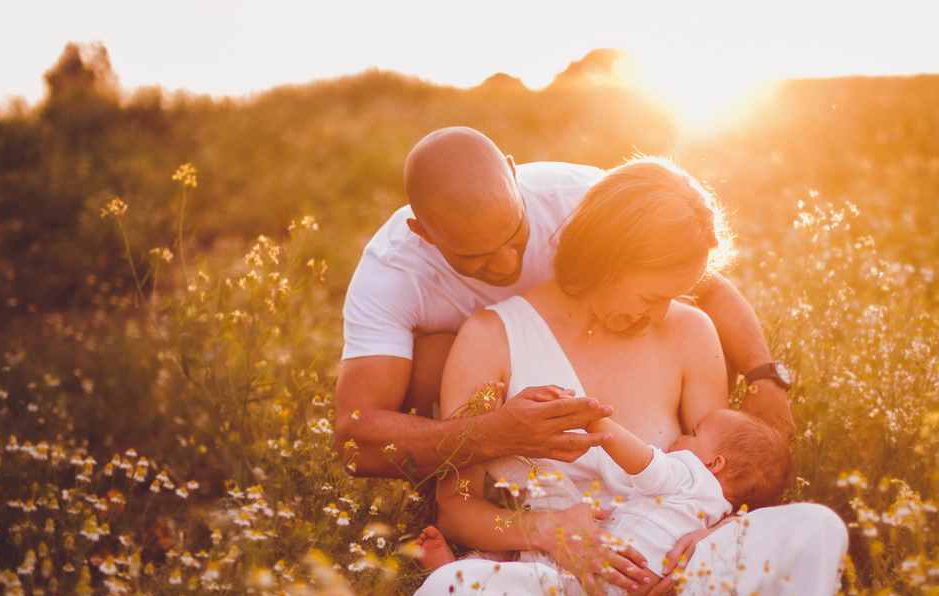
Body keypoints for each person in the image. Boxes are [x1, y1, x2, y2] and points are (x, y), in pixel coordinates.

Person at [410, 157, 847, 596]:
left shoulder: (691, 332)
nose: (663, 313)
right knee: (448, 591)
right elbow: (454, 507)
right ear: (605, 259)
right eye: (651, 296)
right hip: (555, 586)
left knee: (817, 527)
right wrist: (546, 533)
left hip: (665, 589)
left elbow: (717, 484)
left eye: (675, 297)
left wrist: (709, 536)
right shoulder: (489, 339)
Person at [334, 127, 795, 494]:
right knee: (433, 355)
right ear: (424, 233)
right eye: (473, 257)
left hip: (604, 358)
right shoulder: (391, 274)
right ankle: (447, 498)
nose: (506, 265)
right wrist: (494, 434)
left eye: (514, 236)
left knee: (687, 326)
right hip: (481, 372)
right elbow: (355, 440)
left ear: (513, 176)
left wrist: (765, 377)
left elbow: (699, 282)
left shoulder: (582, 201)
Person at [416, 400, 793, 596]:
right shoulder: (720, 518)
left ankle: (478, 432)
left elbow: (645, 462)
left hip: (588, 559)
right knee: (526, 577)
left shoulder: (692, 476)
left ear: (715, 464)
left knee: (546, 478)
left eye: (694, 433)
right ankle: (464, 576)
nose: (681, 437)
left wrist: (594, 418)